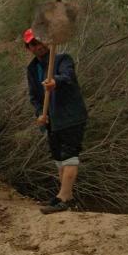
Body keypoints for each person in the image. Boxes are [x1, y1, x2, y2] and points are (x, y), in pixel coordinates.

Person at [23, 28, 88, 214]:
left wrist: (55, 82)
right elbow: (34, 96)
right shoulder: (32, 69)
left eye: (39, 41)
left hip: (70, 116)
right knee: (59, 159)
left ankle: (63, 198)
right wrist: (39, 113)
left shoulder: (62, 59)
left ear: (47, 41)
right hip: (51, 120)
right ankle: (67, 196)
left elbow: (68, 77)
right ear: (29, 48)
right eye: (33, 44)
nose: (38, 46)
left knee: (69, 156)